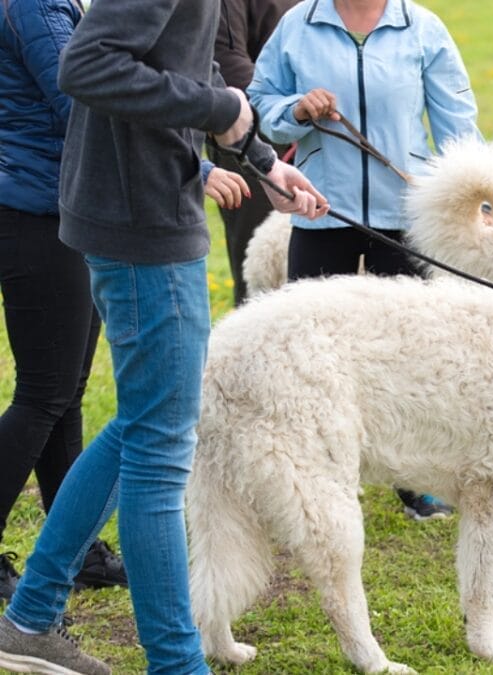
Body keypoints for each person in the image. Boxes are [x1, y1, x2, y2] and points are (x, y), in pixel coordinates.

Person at [0, 0, 327, 670]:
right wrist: (219, 110)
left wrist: (262, 159)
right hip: (139, 223)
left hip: (148, 208)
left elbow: (188, 59)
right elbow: (85, 64)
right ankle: (177, 661)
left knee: (146, 421)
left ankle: (30, 614)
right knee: (159, 448)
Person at [249, 0, 485, 520]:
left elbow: (457, 123)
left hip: (405, 218)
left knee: (412, 357)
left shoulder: (422, 28)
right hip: (320, 210)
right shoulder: (298, 25)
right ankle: (311, 481)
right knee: (307, 353)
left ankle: (414, 482)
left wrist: (474, 195)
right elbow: (260, 104)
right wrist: (297, 110)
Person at [0, 0, 129, 604]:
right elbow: (82, 101)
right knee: (44, 391)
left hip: (64, 207)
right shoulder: (32, 3)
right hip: (33, 210)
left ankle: (72, 549)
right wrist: (188, 160)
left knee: (64, 390)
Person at [206, 0, 301, 306]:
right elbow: (225, 61)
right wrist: (289, 114)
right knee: (262, 286)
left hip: (327, 139)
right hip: (251, 142)